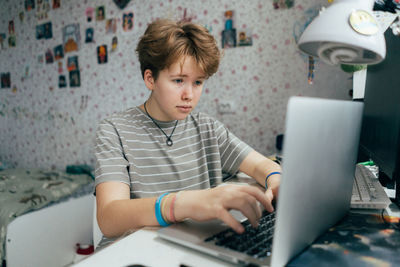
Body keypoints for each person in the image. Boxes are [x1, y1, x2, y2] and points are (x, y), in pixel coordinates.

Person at [94, 19, 282, 248]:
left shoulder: (207, 128)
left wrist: (276, 180)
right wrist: (182, 203)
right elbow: (109, 218)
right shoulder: (114, 130)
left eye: (198, 82)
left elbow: (263, 166)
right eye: (178, 80)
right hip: (131, 252)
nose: (189, 95)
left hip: (186, 247)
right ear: (150, 79)